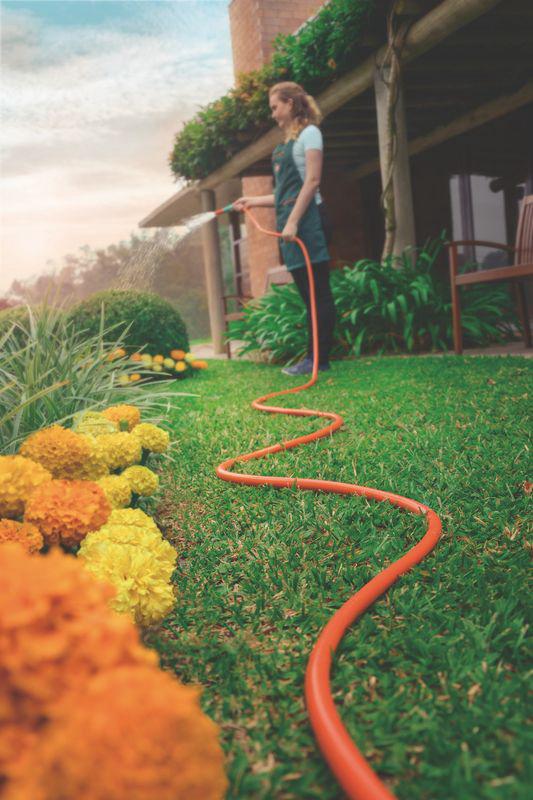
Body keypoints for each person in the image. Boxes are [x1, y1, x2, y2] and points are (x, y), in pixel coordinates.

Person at [233, 81, 336, 376]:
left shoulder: (310, 134)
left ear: (291, 104)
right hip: (294, 225)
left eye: (275, 107)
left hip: (310, 221)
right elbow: (284, 194)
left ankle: (319, 360)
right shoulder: (287, 145)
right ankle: (314, 358)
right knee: (307, 296)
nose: (273, 114)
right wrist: (253, 200)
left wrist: (293, 220)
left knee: (318, 294)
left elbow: (313, 181)